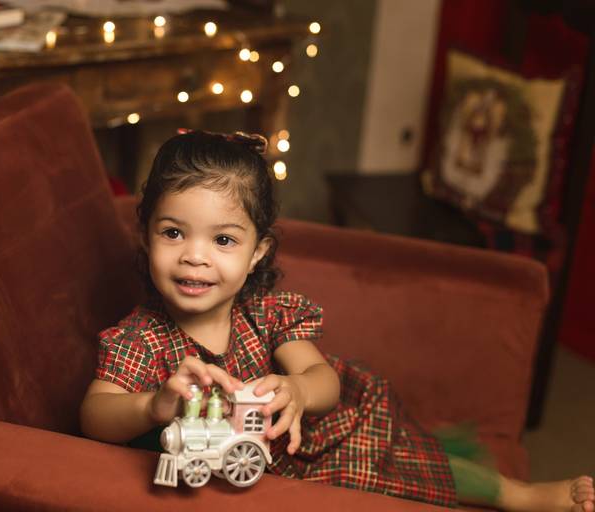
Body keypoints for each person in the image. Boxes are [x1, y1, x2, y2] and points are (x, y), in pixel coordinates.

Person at [79, 130, 594, 511]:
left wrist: (298, 390)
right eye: (173, 233)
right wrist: (153, 404)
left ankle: (516, 495)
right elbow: (94, 416)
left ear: (257, 253)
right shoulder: (140, 338)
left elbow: (322, 378)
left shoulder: (266, 314)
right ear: (145, 236)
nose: (195, 256)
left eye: (223, 240)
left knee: (409, 463)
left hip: (320, 443)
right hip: (251, 478)